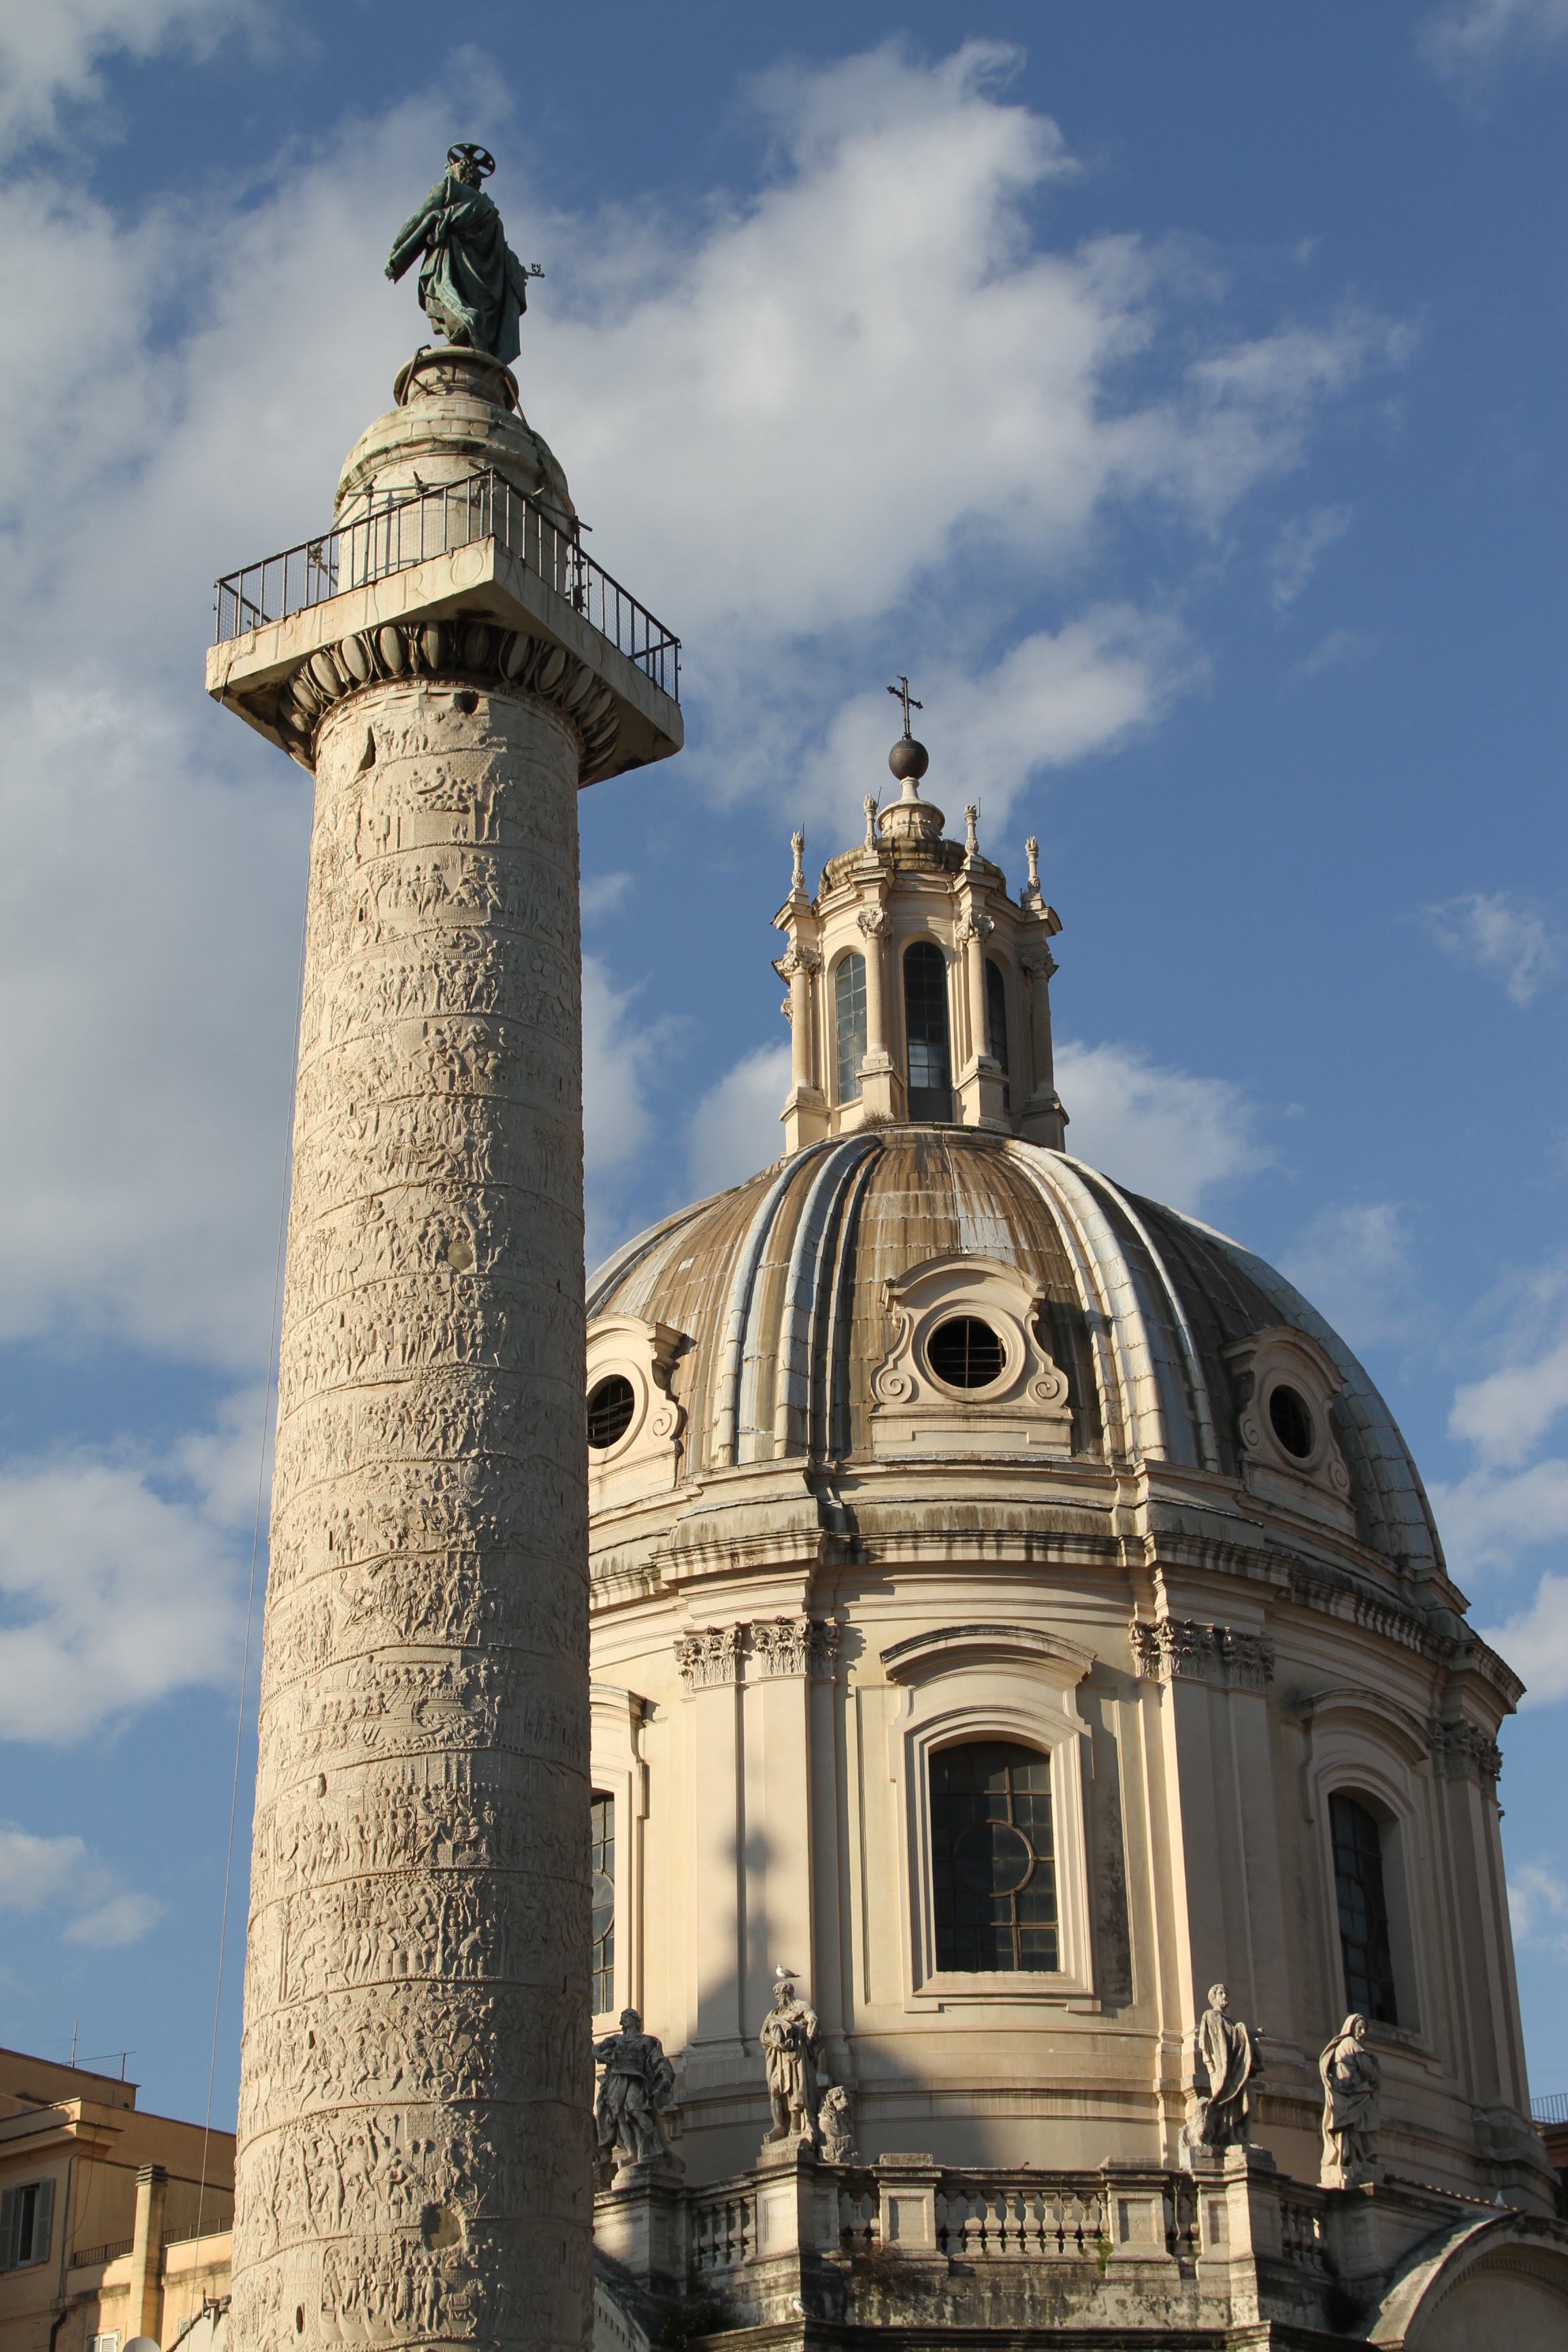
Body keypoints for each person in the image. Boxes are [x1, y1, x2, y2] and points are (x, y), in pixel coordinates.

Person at [386, 145, 536, 365]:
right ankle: (471, 328)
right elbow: (501, 259)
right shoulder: (491, 215)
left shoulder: (448, 190)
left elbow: (419, 217)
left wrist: (396, 252)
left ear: (456, 170)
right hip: (484, 293)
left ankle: (467, 322)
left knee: (451, 306)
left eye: (449, 168)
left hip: (449, 271)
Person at [592, 2009, 678, 2182]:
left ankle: (656, 2145)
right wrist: (603, 2057)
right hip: (616, 2080)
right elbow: (595, 2049)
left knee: (636, 2109)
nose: (623, 2020)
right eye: (622, 2018)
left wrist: (666, 2077)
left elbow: (660, 2061)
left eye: (626, 2017)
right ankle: (632, 2153)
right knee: (620, 2117)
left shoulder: (646, 2041)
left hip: (636, 2079)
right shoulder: (616, 2040)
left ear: (636, 2020)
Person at [1188, 1981, 1260, 2151]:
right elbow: (1209, 2042)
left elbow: (1236, 2037)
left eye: (1226, 1993)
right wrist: (1243, 2030)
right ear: (1213, 1998)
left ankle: (1242, 2136)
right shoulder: (1211, 2016)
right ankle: (1229, 2135)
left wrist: (1252, 2034)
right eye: (1221, 1993)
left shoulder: (1230, 2022)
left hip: (1235, 2069)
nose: (1225, 1996)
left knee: (1249, 2099)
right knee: (1225, 2102)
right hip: (1221, 2070)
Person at [760, 1971, 823, 2143]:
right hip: (778, 2058)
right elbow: (763, 2036)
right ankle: (779, 2126)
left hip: (797, 2056)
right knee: (774, 2089)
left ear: (786, 1993)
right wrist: (775, 2042)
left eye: (778, 1996)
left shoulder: (802, 2006)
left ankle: (795, 2125)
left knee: (796, 2089)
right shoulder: (774, 2015)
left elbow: (812, 2018)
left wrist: (810, 2030)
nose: (777, 2000)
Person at [1318, 2013, 1381, 2186]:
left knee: (1348, 2124)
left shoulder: (1343, 2045)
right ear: (1351, 2029)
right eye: (1360, 2028)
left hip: (1345, 2088)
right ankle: (1357, 2157)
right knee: (1356, 2118)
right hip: (1349, 2089)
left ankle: (1351, 2157)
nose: (1363, 2033)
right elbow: (1367, 2068)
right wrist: (1375, 2073)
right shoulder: (1350, 2043)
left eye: (1365, 2029)